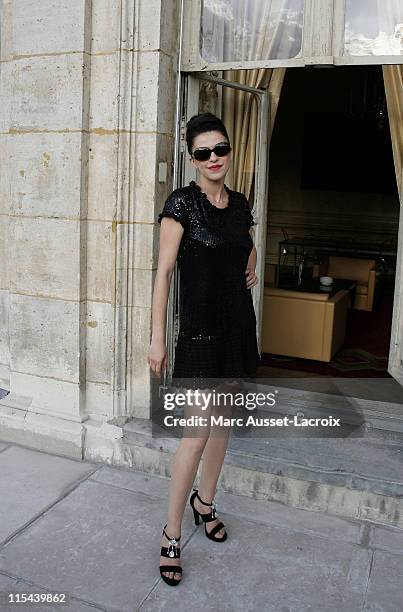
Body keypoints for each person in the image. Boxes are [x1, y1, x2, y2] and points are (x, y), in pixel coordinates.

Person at [147, 112, 261, 586]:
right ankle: (171, 533)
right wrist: (157, 337)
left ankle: (205, 504)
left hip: (237, 330)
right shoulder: (181, 204)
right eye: (203, 152)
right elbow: (164, 274)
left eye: (221, 149)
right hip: (197, 335)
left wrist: (252, 264)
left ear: (230, 152)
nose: (214, 158)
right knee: (196, 435)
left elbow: (244, 244)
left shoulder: (240, 204)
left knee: (222, 429)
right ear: (191, 158)